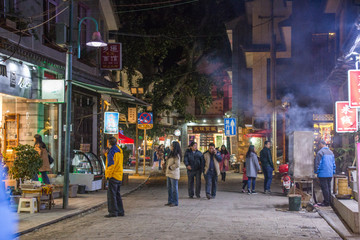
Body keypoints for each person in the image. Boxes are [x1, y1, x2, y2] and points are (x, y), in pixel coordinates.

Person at [105, 136, 125, 217]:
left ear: (109, 143)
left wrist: (108, 176)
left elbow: (111, 165)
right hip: (119, 175)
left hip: (113, 176)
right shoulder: (119, 150)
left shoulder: (112, 152)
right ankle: (120, 211)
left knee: (111, 195)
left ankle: (113, 212)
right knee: (117, 194)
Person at [314, 140, 336, 207]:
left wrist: (316, 172)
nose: (318, 146)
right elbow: (333, 164)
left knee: (324, 188)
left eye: (319, 145)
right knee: (328, 188)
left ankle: (326, 203)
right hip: (330, 173)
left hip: (323, 173)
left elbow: (317, 164)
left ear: (321, 144)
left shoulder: (320, 152)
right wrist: (333, 172)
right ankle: (328, 201)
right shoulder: (331, 152)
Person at [164, 141, 181, 207]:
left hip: (173, 173)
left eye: (172, 145)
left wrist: (171, 167)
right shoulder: (171, 154)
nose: (171, 146)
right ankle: (170, 201)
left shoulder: (176, 155)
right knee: (169, 188)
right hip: (168, 173)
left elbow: (177, 164)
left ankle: (175, 202)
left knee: (174, 189)